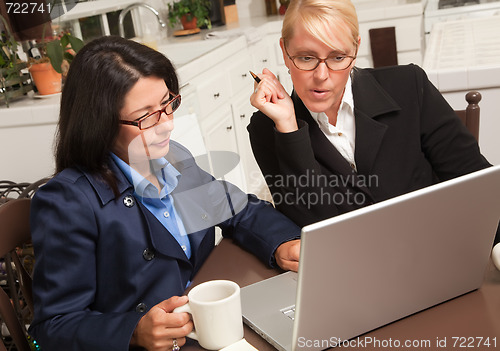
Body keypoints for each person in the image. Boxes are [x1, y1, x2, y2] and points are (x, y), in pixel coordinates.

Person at [28, 35, 301, 351]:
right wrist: (133, 331)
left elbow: (237, 208)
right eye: (146, 116)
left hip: (207, 330)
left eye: (168, 104)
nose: (167, 125)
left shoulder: (172, 157)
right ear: (99, 124)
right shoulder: (67, 202)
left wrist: (282, 242)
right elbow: (52, 328)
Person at [248, 0, 500, 248]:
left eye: (337, 57)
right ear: (284, 51)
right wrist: (289, 128)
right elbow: (318, 237)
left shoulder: (409, 86)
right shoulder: (268, 129)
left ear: (356, 50)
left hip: (433, 253)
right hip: (347, 273)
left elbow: (480, 189)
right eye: (305, 58)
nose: (321, 76)